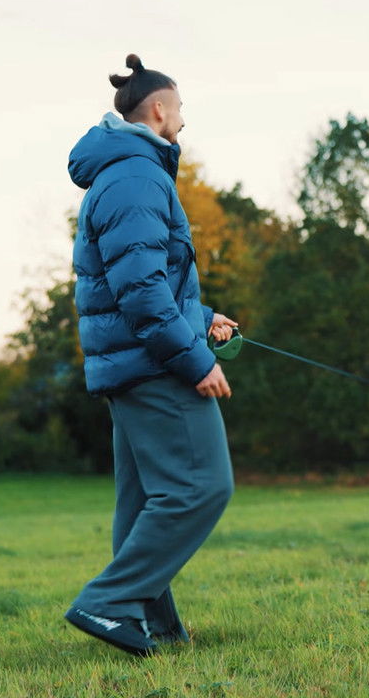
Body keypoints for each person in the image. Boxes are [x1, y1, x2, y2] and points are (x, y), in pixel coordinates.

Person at [63, 53, 238, 656]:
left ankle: (147, 620)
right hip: (153, 365)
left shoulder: (125, 172)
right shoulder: (138, 176)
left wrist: (200, 316)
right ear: (159, 110)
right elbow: (139, 294)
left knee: (143, 502)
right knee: (202, 487)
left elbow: (145, 282)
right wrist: (195, 359)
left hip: (133, 363)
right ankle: (107, 603)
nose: (184, 120)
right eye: (180, 108)